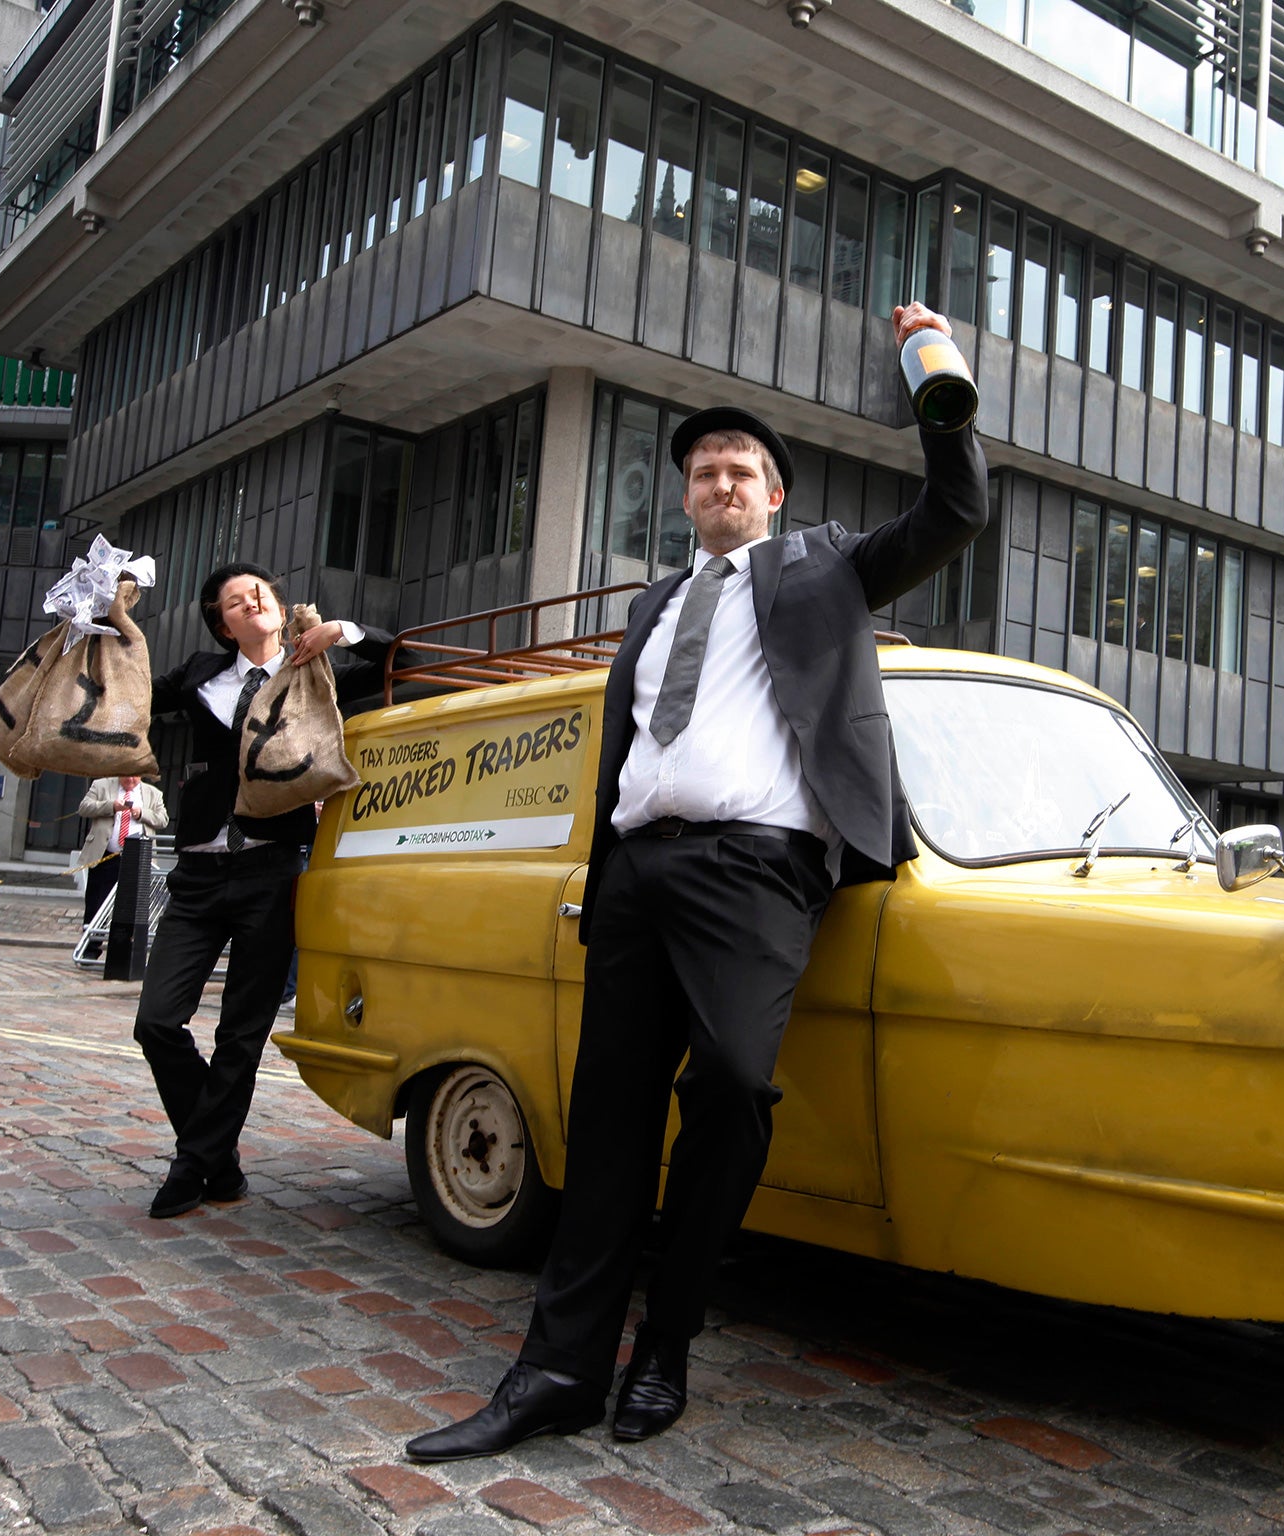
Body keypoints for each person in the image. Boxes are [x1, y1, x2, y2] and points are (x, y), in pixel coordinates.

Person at [406, 301, 987, 1465]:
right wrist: (604, 867)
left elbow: (954, 511)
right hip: (634, 877)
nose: (721, 480)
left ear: (774, 493)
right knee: (607, 1128)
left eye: (742, 469)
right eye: (704, 470)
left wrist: (937, 375)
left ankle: (663, 1347)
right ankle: (556, 1373)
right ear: (684, 498)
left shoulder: (826, 568)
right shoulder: (653, 605)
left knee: (728, 1086)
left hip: (754, 873)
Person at [131, 563, 393, 1219]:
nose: (253, 601)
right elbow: (128, 692)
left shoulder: (318, 672)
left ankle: (194, 1166)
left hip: (272, 872)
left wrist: (343, 630)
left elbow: (402, 660)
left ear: (277, 605)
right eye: (236, 600)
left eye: (260, 592)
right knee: (157, 1021)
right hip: (197, 872)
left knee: (240, 1035)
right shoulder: (199, 678)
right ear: (222, 623)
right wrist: (108, 621)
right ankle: (216, 1158)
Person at [76, 774, 170, 957]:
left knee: (131, 906)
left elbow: (162, 819)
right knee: (97, 903)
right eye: (126, 777)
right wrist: (111, 806)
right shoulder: (101, 785)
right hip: (106, 855)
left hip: (137, 857)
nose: (130, 781)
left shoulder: (153, 793)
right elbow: (84, 808)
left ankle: (124, 951)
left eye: (135, 777)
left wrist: (141, 813)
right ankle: (91, 948)